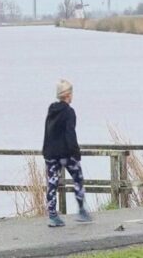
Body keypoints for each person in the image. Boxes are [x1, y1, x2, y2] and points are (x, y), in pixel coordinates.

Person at [42, 79, 92, 227]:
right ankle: (82, 210)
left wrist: (46, 151)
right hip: (65, 153)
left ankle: (52, 215)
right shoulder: (69, 112)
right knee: (78, 178)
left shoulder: (51, 109)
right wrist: (75, 153)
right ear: (68, 95)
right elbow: (70, 134)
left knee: (52, 183)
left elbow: (48, 131)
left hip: (50, 153)